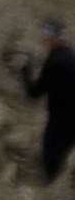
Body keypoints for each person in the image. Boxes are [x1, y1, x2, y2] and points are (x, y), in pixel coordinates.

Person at [27, 28, 75, 189]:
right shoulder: (70, 55)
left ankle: (51, 193)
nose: (44, 42)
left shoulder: (55, 62)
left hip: (59, 120)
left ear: (53, 39)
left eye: (46, 38)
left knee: (51, 159)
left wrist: (25, 73)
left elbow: (34, 92)